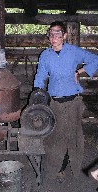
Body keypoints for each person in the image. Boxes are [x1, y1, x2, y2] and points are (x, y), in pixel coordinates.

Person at [33, 21, 98, 182]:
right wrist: (37, 94)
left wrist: (80, 71)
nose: (54, 36)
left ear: (65, 36)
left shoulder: (73, 51)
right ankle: (58, 168)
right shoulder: (46, 55)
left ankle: (73, 167)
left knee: (73, 135)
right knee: (55, 136)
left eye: (58, 33)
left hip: (74, 102)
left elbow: (95, 59)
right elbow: (40, 76)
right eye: (51, 33)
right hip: (54, 102)